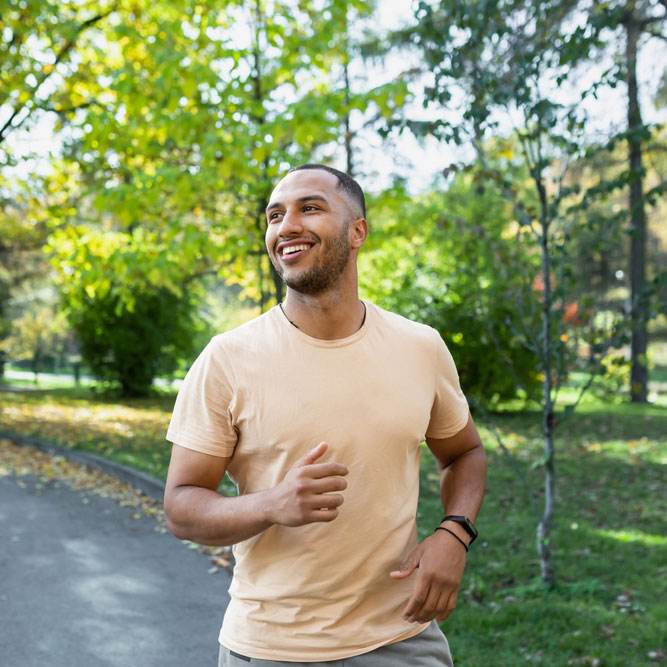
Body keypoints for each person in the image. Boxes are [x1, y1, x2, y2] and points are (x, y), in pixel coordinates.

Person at [163, 164, 487, 666]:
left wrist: (454, 534)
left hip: (401, 641)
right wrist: (270, 504)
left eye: (309, 208)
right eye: (274, 216)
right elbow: (182, 506)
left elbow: (463, 451)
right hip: (271, 647)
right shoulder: (227, 359)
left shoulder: (420, 347)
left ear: (358, 231)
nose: (285, 226)